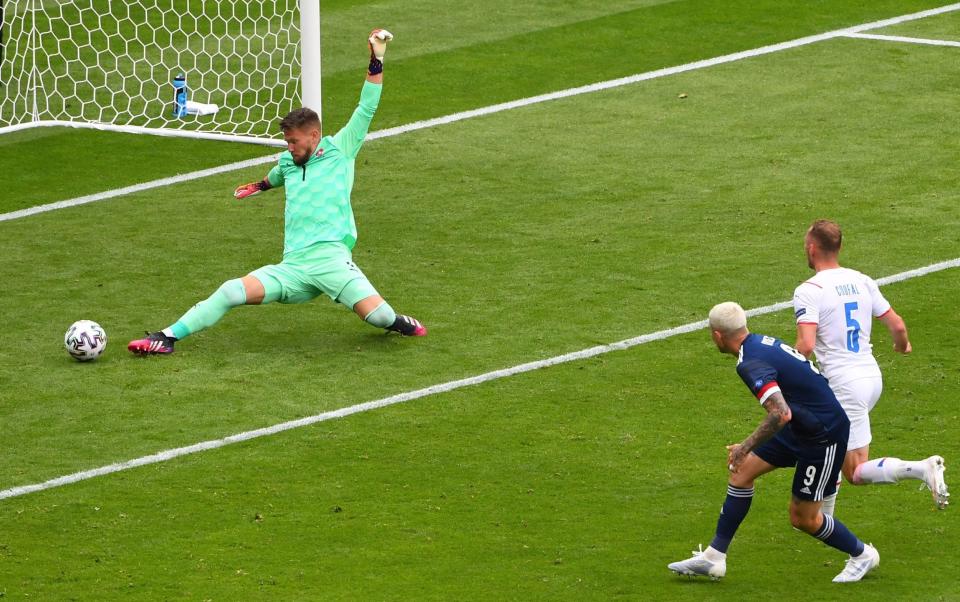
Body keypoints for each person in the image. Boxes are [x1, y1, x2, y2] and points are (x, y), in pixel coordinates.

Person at [129, 29, 425, 356]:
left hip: (331, 260)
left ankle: (396, 322)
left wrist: (376, 59)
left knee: (380, 316)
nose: (289, 147)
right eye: (286, 141)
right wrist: (258, 186)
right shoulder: (287, 161)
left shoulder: (341, 148)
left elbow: (366, 107)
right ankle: (165, 337)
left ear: (314, 135)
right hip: (293, 266)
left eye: (294, 141)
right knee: (230, 291)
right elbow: (277, 175)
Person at [668, 302, 879, 583]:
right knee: (741, 472)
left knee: (803, 518)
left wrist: (745, 446)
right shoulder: (761, 344)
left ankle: (863, 555)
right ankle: (714, 558)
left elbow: (780, 413)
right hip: (802, 425)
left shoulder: (749, 362)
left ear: (717, 336)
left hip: (822, 435)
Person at [793, 219, 947, 513]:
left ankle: (921, 468)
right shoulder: (862, 280)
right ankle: (824, 517)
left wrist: (788, 371)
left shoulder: (809, 289)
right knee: (826, 443)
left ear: (812, 249)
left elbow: (807, 345)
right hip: (870, 378)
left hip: (843, 385)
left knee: (855, 470)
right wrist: (902, 346)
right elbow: (898, 326)